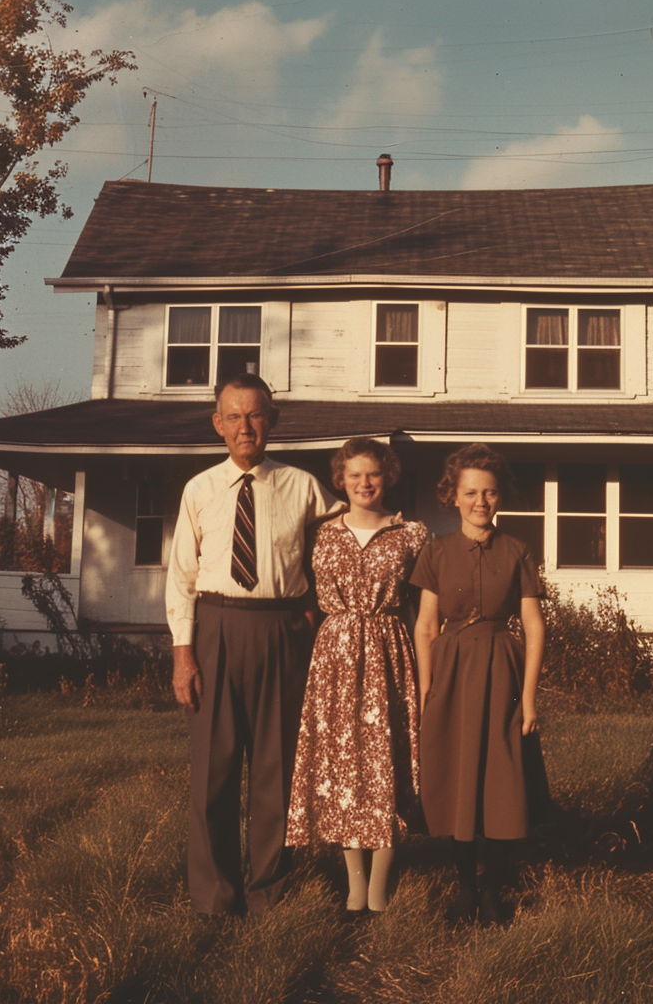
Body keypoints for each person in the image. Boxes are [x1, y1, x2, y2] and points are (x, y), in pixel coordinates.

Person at [166, 373, 340, 917]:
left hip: (283, 632)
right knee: (214, 772)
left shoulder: (303, 486)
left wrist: (316, 603)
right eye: (234, 417)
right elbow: (181, 578)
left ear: (273, 421)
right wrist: (184, 653)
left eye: (256, 415)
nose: (246, 427)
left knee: (277, 769)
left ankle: (269, 892)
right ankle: (215, 898)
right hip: (216, 628)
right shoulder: (199, 489)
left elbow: (341, 540)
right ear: (218, 424)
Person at [410, 443, 553, 925]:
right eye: (470, 492)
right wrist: (427, 691)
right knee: (457, 782)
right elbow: (426, 626)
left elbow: (533, 625)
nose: (480, 501)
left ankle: (493, 892)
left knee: (501, 783)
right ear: (453, 495)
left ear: (500, 496)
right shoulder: (436, 550)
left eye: (489, 493)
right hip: (450, 676)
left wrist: (528, 697)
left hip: (501, 674)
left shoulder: (517, 551)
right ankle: (464, 891)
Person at [286, 438, 429, 915]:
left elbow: (424, 607)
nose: (365, 483)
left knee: (385, 764)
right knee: (345, 767)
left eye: (373, 474)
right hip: (337, 655)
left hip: (390, 649)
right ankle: (353, 886)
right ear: (340, 481)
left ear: (387, 477)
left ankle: (380, 889)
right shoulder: (321, 534)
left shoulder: (411, 534)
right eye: (355, 475)